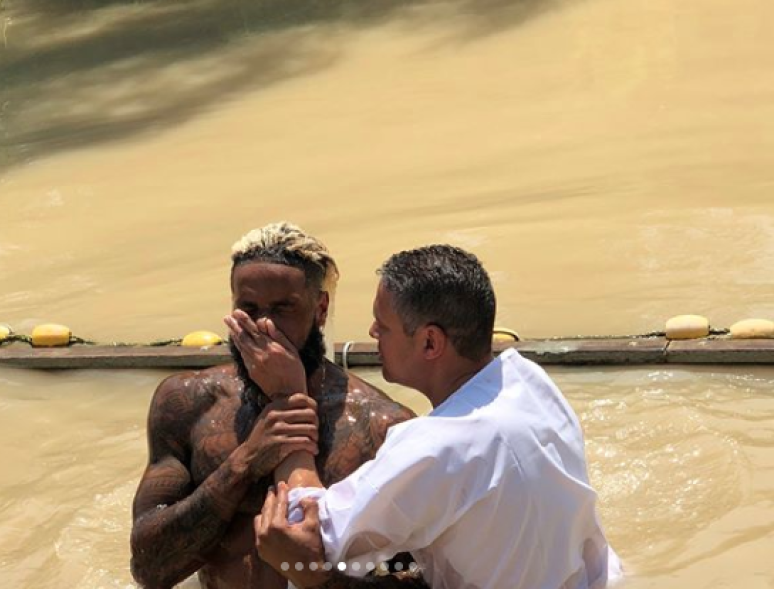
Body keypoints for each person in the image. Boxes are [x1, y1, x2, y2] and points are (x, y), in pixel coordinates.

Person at [231, 245, 623, 589]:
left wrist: (289, 395)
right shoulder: (529, 380)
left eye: (382, 325)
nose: (371, 332)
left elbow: (304, 533)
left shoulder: (434, 447)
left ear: (430, 342)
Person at [130, 223, 417, 589]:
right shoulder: (188, 402)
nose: (264, 324)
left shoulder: (380, 427)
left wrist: (314, 574)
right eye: (248, 307)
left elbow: (414, 576)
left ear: (321, 309)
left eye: (283, 308)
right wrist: (244, 463)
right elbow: (148, 569)